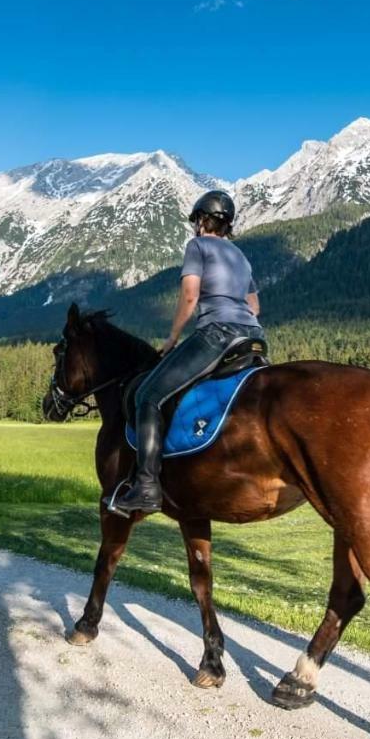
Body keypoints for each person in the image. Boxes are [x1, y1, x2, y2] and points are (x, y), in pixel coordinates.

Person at [111, 189, 266, 516]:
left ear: (202, 220)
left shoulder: (197, 246)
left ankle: (147, 487)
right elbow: (255, 306)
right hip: (253, 337)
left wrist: (172, 338)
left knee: (149, 395)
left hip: (218, 333)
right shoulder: (242, 256)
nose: (195, 226)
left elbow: (191, 296)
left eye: (197, 220)